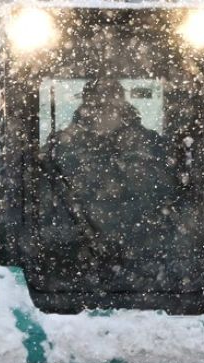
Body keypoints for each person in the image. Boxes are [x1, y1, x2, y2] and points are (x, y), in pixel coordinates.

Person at [40, 77, 176, 267]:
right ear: (86, 107)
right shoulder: (62, 147)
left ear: (123, 105)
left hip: (148, 257)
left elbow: (168, 194)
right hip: (71, 257)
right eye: (96, 104)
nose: (103, 111)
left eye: (111, 103)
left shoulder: (149, 144)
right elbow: (43, 198)